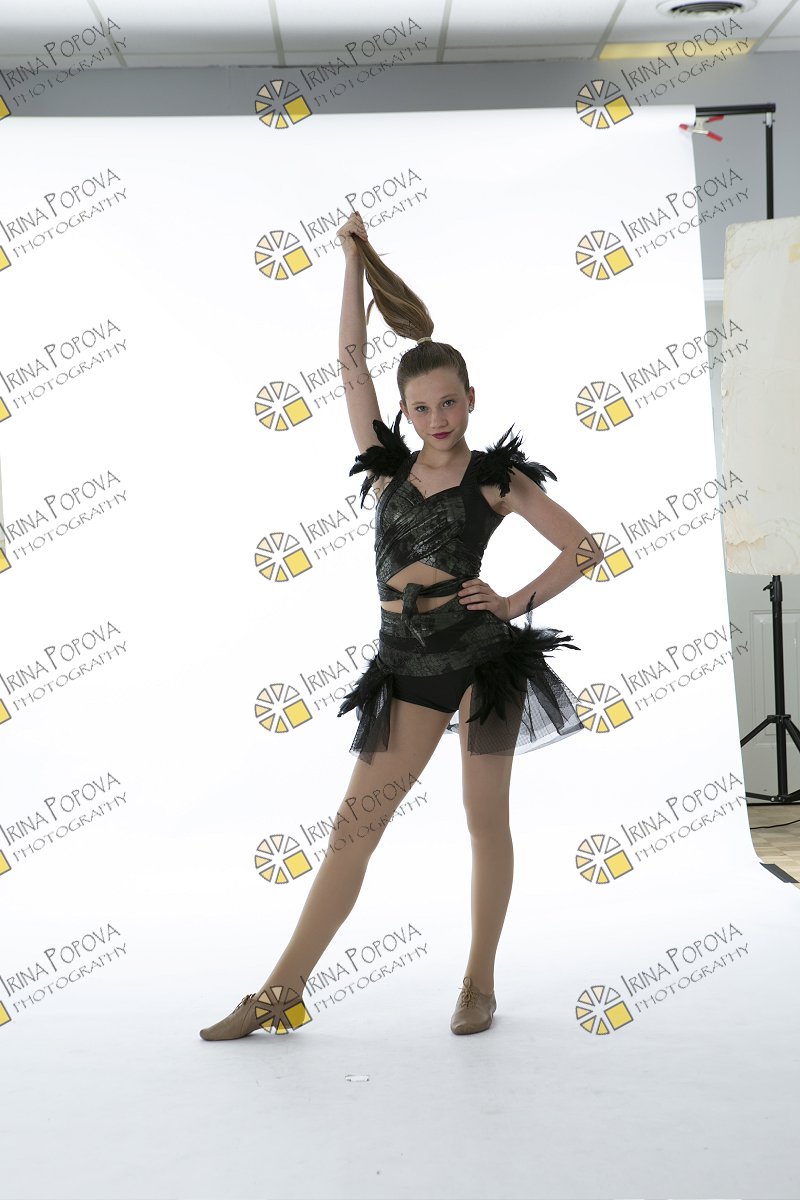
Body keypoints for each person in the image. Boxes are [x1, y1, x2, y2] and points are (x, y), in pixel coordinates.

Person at [199, 211, 604, 1042]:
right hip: (407, 665)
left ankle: (479, 984)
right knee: (354, 830)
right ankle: (279, 994)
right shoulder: (386, 470)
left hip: (482, 662)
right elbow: (350, 364)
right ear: (406, 414)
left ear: (471, 398)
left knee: (483, 821)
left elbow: (584, 549)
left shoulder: (497, 480)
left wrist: (512, 602)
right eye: (422, 407)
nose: (438, 416)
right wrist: (352, 261)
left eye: (450, 401)